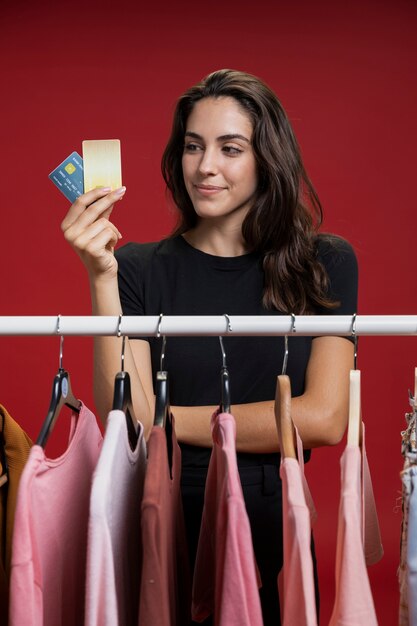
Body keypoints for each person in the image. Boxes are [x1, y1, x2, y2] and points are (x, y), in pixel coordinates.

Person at [61, 68, 358, 625]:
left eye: (230, 148)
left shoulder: (325, 263)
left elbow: (323, 418)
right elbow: (124, 419)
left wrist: (168, 420)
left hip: (272, 518)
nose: (205, 167)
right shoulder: (136, 268)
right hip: (161, 512)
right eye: (193, 146)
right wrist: (101, 276)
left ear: (267, 158)